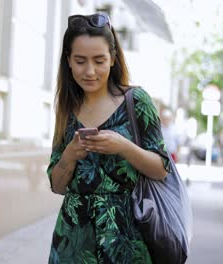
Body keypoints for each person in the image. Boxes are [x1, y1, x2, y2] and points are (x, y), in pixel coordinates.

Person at [47, 12, 171, 263]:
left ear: (113, 59)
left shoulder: (136, 102)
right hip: (73, 243)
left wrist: (123, 146)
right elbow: (57, 185)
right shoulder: (67, 107)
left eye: (99, 60)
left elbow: (161, 169)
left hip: (125, 240)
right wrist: (69, 155)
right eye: (80, 61)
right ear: (68, 61)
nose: (90, 71)